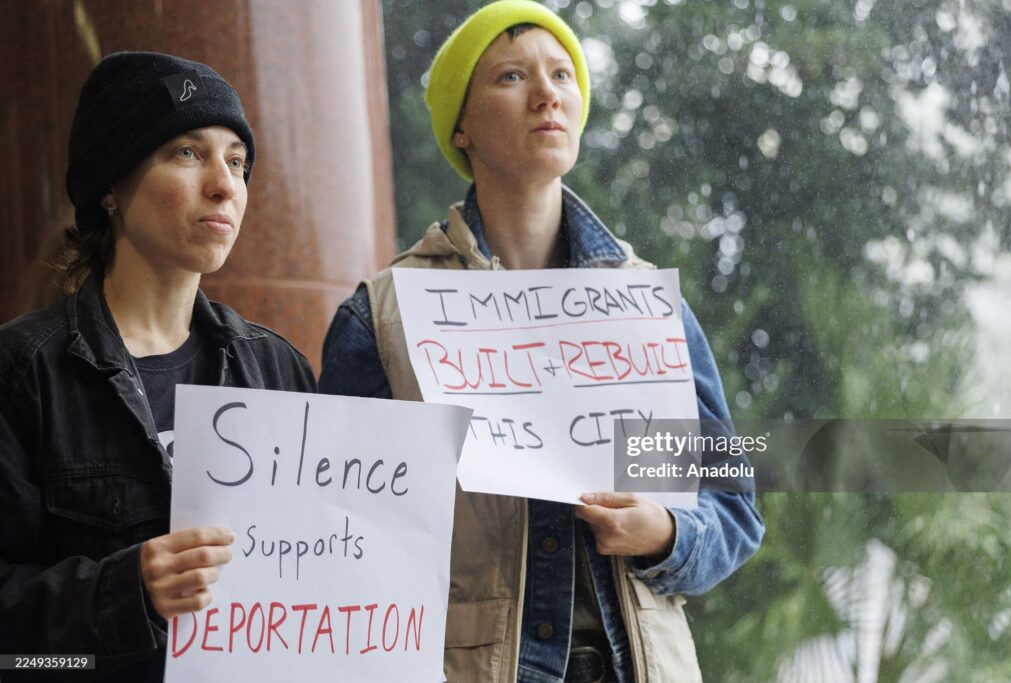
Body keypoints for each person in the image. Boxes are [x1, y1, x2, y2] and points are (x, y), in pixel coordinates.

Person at [320, 2, 764, 681]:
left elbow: (731, 505)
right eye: (510, 77)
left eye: (562, 74)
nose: (547, 92)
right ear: (460, 126)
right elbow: (350, 540)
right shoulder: (384, 317)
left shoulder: (648, 306)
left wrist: (667, 533)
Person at [0, 52, 315, 679]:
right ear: (110, 189)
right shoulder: (24, 370)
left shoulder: (279, 369)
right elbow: (16, 656)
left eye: (237, 161)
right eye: (187, 153)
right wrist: (127, 590)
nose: (225, 184)